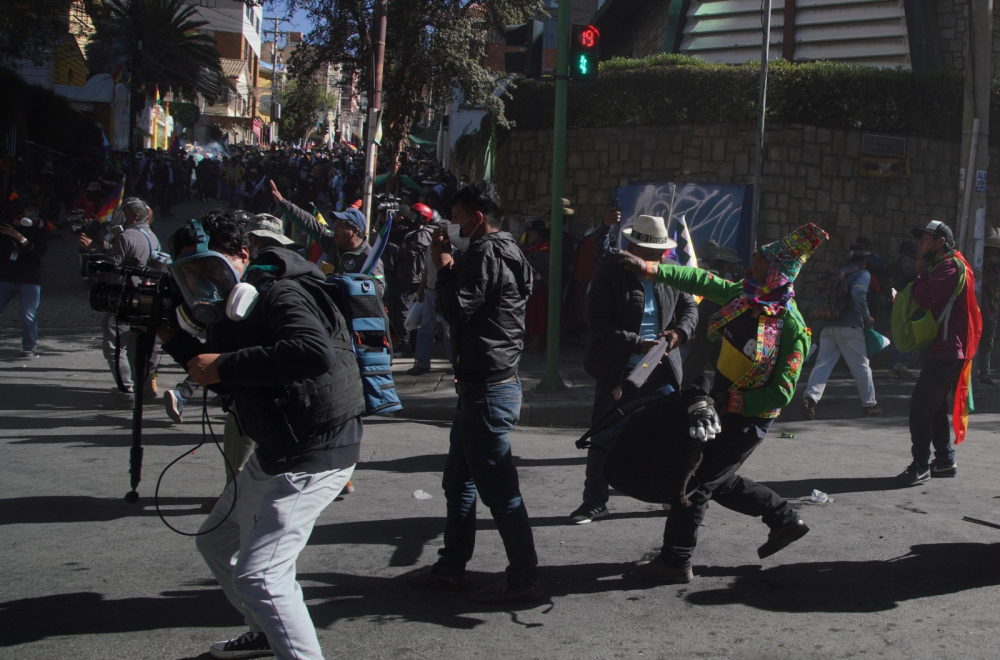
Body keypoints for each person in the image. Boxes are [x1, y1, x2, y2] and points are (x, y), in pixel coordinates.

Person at [158, 216, 364, 659]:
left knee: (261, 576)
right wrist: (174, 340)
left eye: (210, 268)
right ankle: (265, 633)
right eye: (190, 274)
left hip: (315, 448)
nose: (203, 281)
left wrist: (226, 364)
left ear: (242, 256)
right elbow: (229, 378)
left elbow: (313, 351)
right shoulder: (238, 308)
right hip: (277, 446)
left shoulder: (280, 291)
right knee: (214, 540)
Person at [618, 223, 828, 583]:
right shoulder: (743, 297)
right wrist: (651, 269)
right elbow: (701, 281)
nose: (752, 265)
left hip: (750, 416)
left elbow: (780, 393)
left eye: (760, 262)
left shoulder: (792, 327)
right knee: (717, 478)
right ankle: (784, 519)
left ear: (775, 272)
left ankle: (676, 559)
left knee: (696, 481)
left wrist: (731, 400)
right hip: (721, 406)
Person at [403, 182, 541, 604]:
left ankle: (524, 577)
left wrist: (444, 264)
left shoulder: (486, 253)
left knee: (500, 492)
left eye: (458, 216)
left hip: (488, 389)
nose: (452, 225)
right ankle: (451, 567)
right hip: (483, 385)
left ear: (477, 218)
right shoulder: (507, 250)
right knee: (458, 482)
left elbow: (456, 306)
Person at [571, 214, 698, 524]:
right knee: (604, 437)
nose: (653, 262)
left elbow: (690, 309)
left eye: (658, 256)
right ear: (632, 248)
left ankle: (671, 493)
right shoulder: (610, 272)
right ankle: (594, 501)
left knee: (670, 436)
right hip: (618, 371)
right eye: (648, 255)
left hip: (661, 370)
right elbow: (598, 322)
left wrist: (678, 334)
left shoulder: (671, 272)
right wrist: (638, 343)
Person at [895, 220, 982, 486]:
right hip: (947, 348)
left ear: (940, 242)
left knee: (921, 407)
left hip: (948, 350)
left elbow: (926, 298)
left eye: (926, 239)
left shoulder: (947, 267)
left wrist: (919, 273)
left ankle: (920, 464)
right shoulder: (947, 265)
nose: (921, 243)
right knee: (934, 407)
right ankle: (944, 460)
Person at [79, 197, 162, 408]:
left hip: (121, 299)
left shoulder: (127, 236)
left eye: (124, 215)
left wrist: (92, 253)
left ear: (134, 216)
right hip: (142, 299)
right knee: (135, 346)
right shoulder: (151, 236)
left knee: (114, 347)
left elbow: (111, 266)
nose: (121, 219)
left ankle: (126, 390)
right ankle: (140, 385)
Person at [801, 241, 880, 419]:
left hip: (828, 326)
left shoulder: (837, 273)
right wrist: (866, 315)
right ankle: (869, 405)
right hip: (850, 326)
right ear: (864, 260)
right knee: (861, 366)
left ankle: (810, 398)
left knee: (823, 364)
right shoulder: (862, 274)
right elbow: (858, 293)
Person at [269, 180, 385, 296]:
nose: (335, 229)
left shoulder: (369, 259)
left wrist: (350, 285)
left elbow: (379, 291)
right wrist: (284, 203)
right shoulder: (333, 243)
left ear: (354, 231)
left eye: (339, 226)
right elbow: (310, 224)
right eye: (335, 225)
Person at [0, 202, 47, 358]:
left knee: (28, 313)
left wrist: (19, 237)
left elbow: (39, 251)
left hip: (29, 279)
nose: (32, 215)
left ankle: (29, 346)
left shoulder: (36, 230)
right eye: (28, 211)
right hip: (7, 277)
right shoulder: (5, 228)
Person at [885, 239, 919, 379]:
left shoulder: (893, 262)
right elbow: (912, 274)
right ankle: (900, 364)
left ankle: (895, 366)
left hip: (893, 300)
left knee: (896, 334)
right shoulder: (906, 261)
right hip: (904, 302)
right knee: (908, 333)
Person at [976, 227, 1000, 386]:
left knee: (986, 343)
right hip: (983, 308)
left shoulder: (992, 265)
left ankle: (983, 372)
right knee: (983, 343)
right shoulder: (982, 265)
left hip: (990, 307)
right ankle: (982, 373)